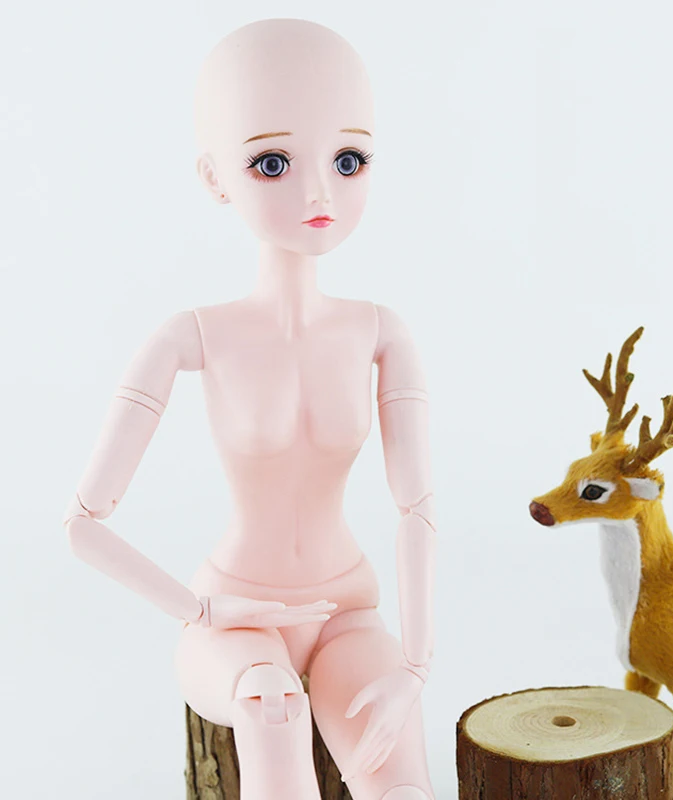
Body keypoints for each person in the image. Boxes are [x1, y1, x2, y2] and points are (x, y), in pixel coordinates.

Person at [63, 19, 436, 800]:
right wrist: (200, 608)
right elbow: (82, 523)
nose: (319, 193)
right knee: (273, 710)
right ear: (214, 177)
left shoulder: (380, 332)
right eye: (272, 163)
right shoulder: (192, 336)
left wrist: (414, 665)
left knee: (397, 774)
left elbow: (417, 509)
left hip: (347, 607)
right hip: (232, 621)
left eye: (348, 159)